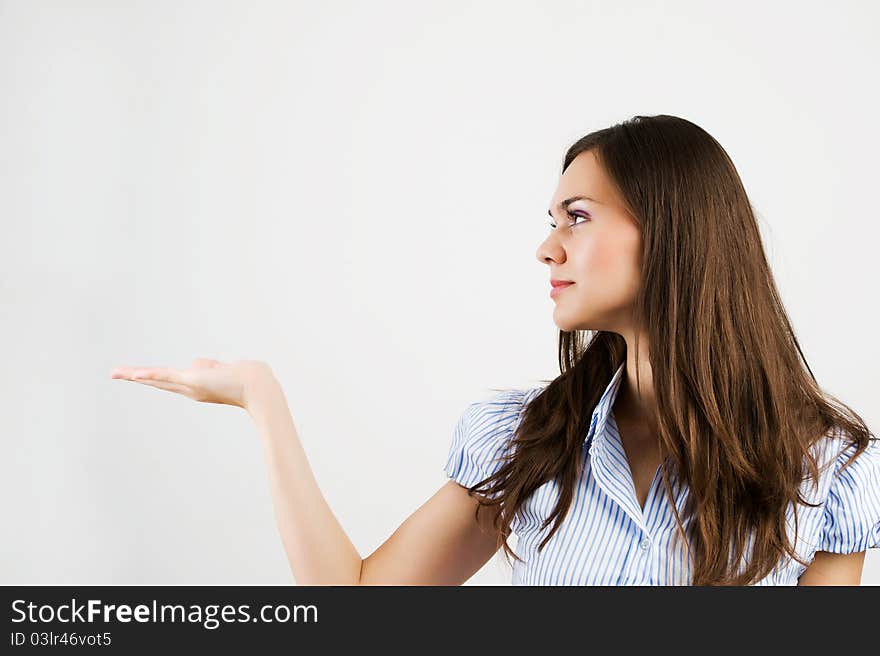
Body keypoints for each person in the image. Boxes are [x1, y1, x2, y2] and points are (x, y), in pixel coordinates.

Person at [110, 114, 880, 586]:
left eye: (576, 217)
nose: (547, 247)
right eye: (553, 219)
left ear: (673, 230)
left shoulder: (830, 468)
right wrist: (262, 400)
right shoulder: (525, 441)